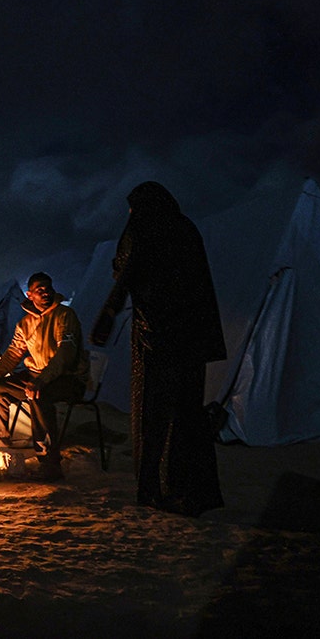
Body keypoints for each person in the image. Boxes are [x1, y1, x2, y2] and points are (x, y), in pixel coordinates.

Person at [90, 181, 225, 516]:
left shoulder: (146, 227)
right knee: (188, 414)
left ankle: (158, 488)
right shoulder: (186, 228)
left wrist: (108, 313)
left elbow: (127, 271)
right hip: (192, 339)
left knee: (156, 415)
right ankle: (195, 492)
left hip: (158, 337)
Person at [0, 272, 88, 481]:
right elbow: (14, 353)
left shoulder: (65, 315)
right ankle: (3, 450)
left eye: (48, 288)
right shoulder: (25, 323)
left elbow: (65, 356)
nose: (45, 292)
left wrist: (40, 381)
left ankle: (49, 463)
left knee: (37, 394)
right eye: (39, 290)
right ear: (30, 295)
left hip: (68, 378)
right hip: (36, 375)